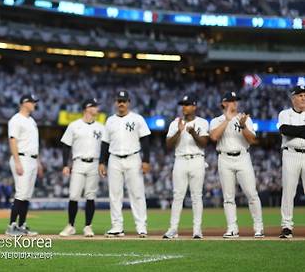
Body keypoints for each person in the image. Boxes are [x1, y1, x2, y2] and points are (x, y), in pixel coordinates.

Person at [209, 91, 264, 238]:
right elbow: (214, 137)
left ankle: (258, 227)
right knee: (228, 197)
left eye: (235, 100)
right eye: (231, 101)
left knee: (252, 194)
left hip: (243, 157)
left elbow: (252, 140)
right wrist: (227, 120)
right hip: (224, 158)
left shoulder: (244, 118)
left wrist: (243, 126)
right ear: (224, 103)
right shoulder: (216, 120)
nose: (234, 103)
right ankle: (232, 228)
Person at [98, 90, 151, 238]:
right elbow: (104, 143)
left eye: (124, 101)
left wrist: (146, 160)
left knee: (137, 193)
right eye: (119, 100)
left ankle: (141, 227)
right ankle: (117, 227)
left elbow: (146, 140)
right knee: (114, 194)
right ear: (116, 102)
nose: (121, 103)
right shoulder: (110, 120)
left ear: (128, 103)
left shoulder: (137, 119)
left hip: (133, 157)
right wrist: (102, 162)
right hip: (114, 158)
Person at [162, 95, 209, 240]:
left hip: (197, 159)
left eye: (187, 104)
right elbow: (168, 145)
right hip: (180, 160)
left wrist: (193, 133)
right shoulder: (175, 123)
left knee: (196, 196)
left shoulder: (202, 122)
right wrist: (178, 131)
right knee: (177, 196)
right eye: (183, 104)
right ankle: (173, 229)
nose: (184, 107)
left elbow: (204, 143)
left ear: (194, 106)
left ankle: (197, 230)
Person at [59, 98, 104, 237]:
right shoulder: (74, 125)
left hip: (95, 163)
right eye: (94, 106)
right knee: (73, 195)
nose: (96, 109)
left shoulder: (101, 127)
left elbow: (105, 148)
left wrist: (103, 163)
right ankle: (71, 225)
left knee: (90, 195)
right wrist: (65, 165)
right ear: (87, 108)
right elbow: (66, 145)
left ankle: (88, 226)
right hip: (78, 162)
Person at [5, 94, 43, 236]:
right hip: (21, 158)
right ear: (24, 103)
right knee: (21, 193)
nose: (34, 104)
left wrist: (38, 163)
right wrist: (17, 161)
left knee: (26, 195)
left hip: (32, 159)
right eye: (32, 102)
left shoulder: (32, 120)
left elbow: (33, 144)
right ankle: (11, 226)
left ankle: (22, 225)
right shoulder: (16, 119)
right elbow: (13, 140)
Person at [276, 85, 305, 239]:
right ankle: (287, 226)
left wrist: (295, 130)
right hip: (290, 154)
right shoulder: (284, 114)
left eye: (304, 95)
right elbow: (285, 130)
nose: (303, 98)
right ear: (293, 98)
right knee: (288, 192)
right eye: (300, 95)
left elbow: (291, 131)